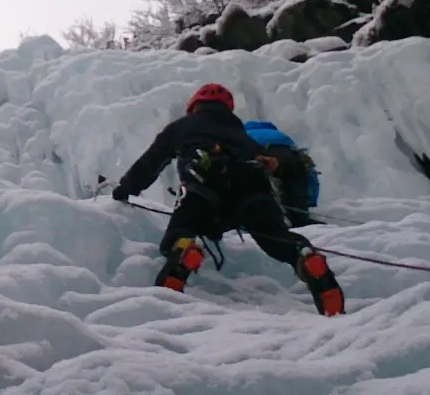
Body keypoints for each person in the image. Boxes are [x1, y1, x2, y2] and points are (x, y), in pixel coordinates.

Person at [110, 83, 344, 316]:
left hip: (204, 188)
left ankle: (184, 250)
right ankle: (304, 255)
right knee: (278, 240)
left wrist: (125, 188)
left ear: (194, 106)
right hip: (254, 191)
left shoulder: (182, 127)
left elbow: (151, 161)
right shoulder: (242, 137)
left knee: (181, 231)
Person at [243, 119, 322, 228]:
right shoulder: (281, 136)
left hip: (262, 154)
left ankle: (267, 219)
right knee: (293, 180)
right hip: (290, 154)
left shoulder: (245, 133)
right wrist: (309, 201)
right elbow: (307, 174)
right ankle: (300, 218)